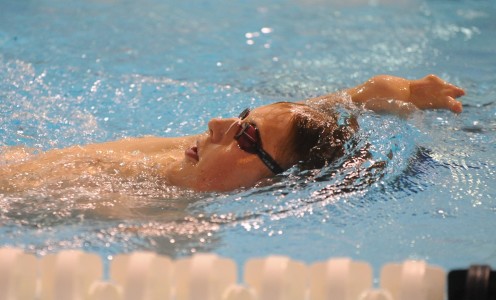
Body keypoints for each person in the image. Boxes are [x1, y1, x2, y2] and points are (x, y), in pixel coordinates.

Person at [0, 74, 465, 193]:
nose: (216, 124)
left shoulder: (168, 219)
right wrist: (384, 90)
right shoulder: (189, 162)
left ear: (277, 183)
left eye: (244, 135)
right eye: (241, 115)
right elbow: (312, 116)